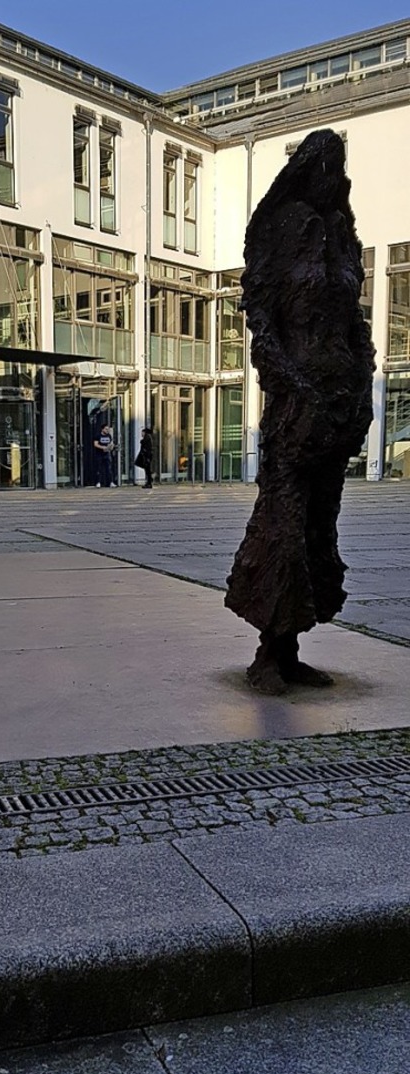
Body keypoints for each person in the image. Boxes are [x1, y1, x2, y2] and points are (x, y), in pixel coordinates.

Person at [225, 130, 375, 694]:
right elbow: (261, 320)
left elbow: (355, 326)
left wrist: (361, 385)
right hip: (297, 408)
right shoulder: (282, 228)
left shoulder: (341, 235)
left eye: (339, 168)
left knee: (318, 529)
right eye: (325, 166)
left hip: (338, 409)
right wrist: (295, 385)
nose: (332, 179)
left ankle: (290, 649)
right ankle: (268, 649)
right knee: (282, 526)